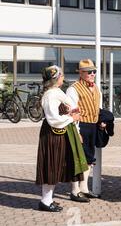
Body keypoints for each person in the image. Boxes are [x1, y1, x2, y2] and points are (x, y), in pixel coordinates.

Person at [36, 66, 88, 212]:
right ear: (56, 78)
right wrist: (71, 117)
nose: (63, 78)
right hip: (53, 134)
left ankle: (48, 199)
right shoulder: (51, 94)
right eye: (62, 75)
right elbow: (53, 118)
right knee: (51, 166)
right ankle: (45, 201)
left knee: (55, 166)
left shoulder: (56, 92)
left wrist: (71, 113)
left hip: (58, 133)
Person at [66, 59, 102, 202]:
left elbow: (98, 107)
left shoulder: (96, 87)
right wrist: (77, 131)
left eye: (94, 71)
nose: (92, 74)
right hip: (81, 126)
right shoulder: (73, 89)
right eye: (89, 72)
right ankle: (74, 191)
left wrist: (101, 121)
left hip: (93, 126)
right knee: (77, 159)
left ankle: (84, 188)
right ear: (80, 73)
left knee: (88, 159)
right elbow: (72, 112)